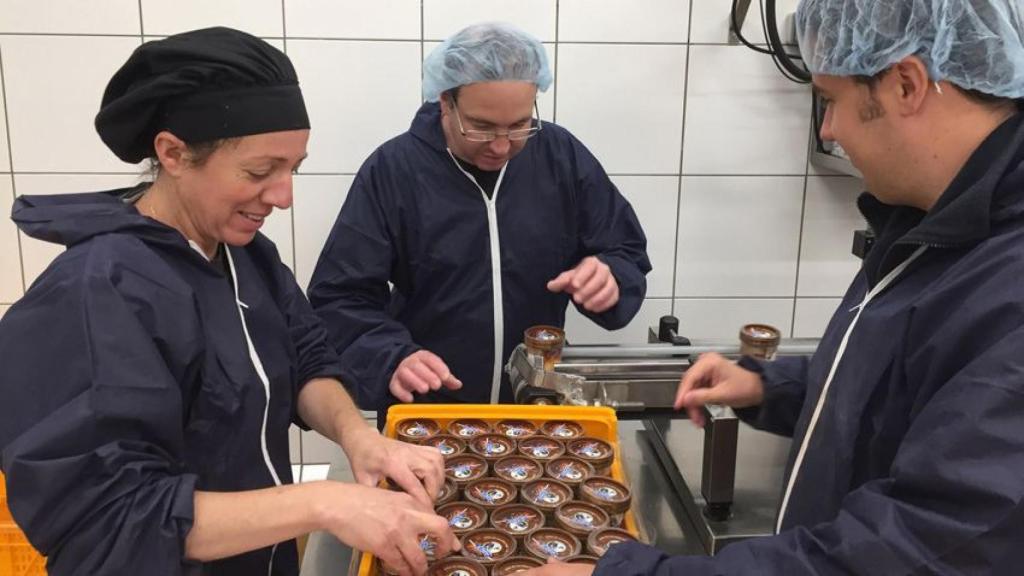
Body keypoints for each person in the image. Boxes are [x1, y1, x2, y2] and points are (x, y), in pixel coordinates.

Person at [525, 0, 1024, 574]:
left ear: (906, 84)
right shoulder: (929, 225)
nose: (829, 128)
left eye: (830, 101)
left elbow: (928, 546)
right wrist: (771, 386)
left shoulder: (1004, 275)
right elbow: (899, 385)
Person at [0, 27, 456, 576]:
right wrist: (325, 503)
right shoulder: (97, 290)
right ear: (173, 153)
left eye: (294, 169)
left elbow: (306, 357)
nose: (284, 196)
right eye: (260, 172)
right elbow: (112, 517)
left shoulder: (244, 256)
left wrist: (359, 438)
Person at [307, 23, 652, 420]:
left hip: (536, 408)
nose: (503, 145)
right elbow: (338, 298)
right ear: (444, 102)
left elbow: (624, 250)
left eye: (520, 124)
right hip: (429, 414)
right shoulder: (395, 170)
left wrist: (610, 277)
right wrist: (391, 356)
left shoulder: (560, 157)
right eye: (482, 127)